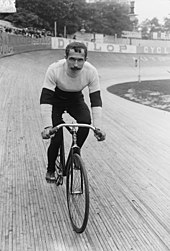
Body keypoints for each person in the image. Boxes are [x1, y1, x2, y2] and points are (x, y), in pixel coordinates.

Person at [40, 41, 106, 182]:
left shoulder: (91, 71)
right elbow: (46, 99)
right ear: (65, 58)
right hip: (55, 101)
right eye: (72, 59)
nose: (76, 64)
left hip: (75, 99)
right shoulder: (54, 69)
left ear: (85, 60)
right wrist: (47, 127)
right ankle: (51, 168)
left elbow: (96, 100)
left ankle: (75, 153)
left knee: (86, 122)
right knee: (56, 138)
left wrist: (98, 127)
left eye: (80, 60)